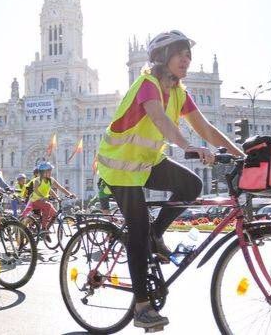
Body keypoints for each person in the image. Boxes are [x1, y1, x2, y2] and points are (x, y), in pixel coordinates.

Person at [96, 30, 244, 329]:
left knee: (191, 185)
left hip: (147, 163)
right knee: (137, 235)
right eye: (181, 55)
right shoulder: (147, 85)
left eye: (189, 56)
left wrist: (241, 154)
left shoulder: (179, 92)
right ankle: (141, 307)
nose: (186, 61)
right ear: (163, 57)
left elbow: (206, 128)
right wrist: (186, 146)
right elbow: (160, 120)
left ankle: (155, 234)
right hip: (120, 167)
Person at [20, 162, 74, 232]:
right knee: (47, 206)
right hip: (35, 201)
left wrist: (69, 194)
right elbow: (36, 191)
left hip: (43, 201)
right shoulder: (37, 180)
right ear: (43, 173)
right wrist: (43, 197)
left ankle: (46, 231)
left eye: (50, 171)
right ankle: (43, 228)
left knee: (55, 215)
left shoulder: (51, 180)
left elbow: (59, 188)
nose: (51, 173)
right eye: (49, 171)